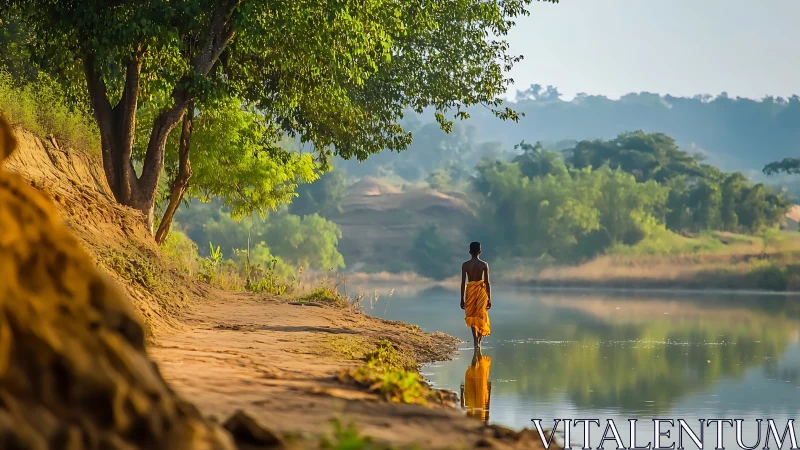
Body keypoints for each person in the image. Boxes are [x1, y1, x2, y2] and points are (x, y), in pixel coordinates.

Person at [461, 241, 491, 349]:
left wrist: (461, 298)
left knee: (472, 315)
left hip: (470, 291)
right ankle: (479, 341)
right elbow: (487, 282)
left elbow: (463, 282)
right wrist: (489, 298)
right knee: (481, 315)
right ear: (480, 251)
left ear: (469, 252)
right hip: (481, 292)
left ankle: (475, 341)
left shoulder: (465, 265)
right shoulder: (484, 264)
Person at [461, 347, 492, 423]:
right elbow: (487, 407)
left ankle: (477, 349)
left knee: (473, 370)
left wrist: (461, 392)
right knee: (475, 370)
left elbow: (463, 406)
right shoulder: (483, 419)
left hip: (478, 395)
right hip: (481, 395)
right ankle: (477, 349)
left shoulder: (474, 420)